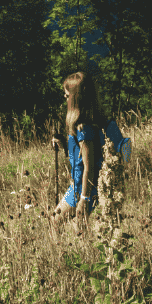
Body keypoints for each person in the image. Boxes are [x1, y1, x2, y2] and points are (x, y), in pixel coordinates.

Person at [53, 72, 106, 217]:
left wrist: (84, 199)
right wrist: (64, 145)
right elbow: (79, 156)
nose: (65, 98)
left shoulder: (84, 128)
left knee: (58, 221)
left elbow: (89, 166)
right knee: (57, 221)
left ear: (76, 99)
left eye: (67, 95)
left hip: (82, 189)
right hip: (77, 186)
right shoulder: (81, 126)